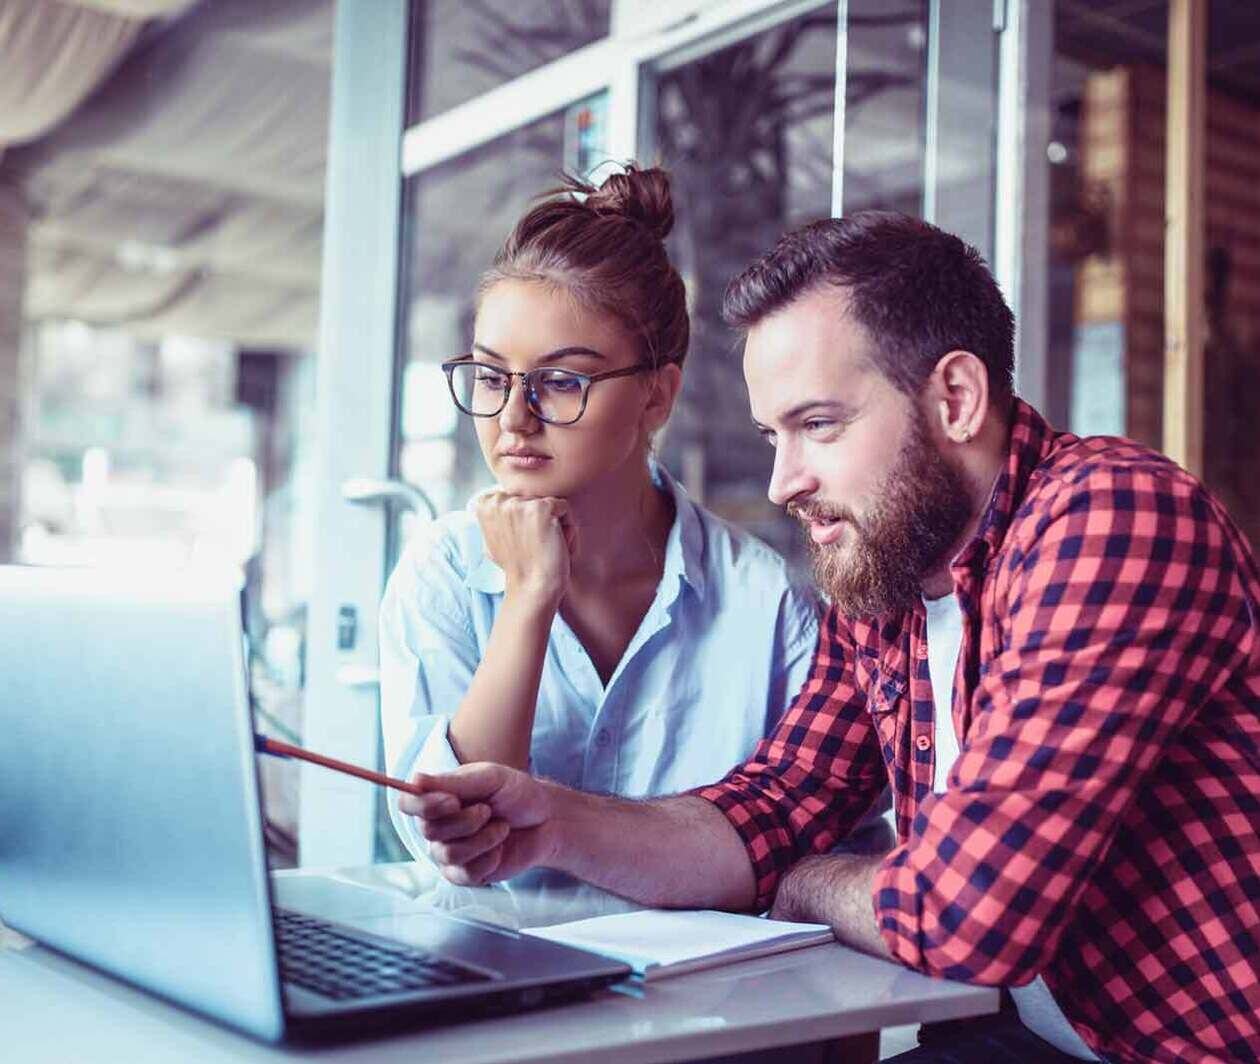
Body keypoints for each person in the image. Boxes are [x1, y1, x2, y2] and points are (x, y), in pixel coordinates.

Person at [400, 212, 1260, 1063]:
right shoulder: (888, 576)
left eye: (819, 426)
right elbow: (773, 811)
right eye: (774, 436)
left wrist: (809, 882)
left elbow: (966, 917)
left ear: (955, 398)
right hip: (1020, 1039)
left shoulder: (1111, 520)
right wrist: (550, 825)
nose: (783, 483)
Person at [379, 167, 888, 872]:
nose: (513, 419)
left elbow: (827, 850)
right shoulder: (441, 574)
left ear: (656, 396)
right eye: (493, 378)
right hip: (492, 965)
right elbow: (457, 845)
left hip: (706, 982)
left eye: (561, 381)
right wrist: (529, 597)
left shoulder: (767, 604)